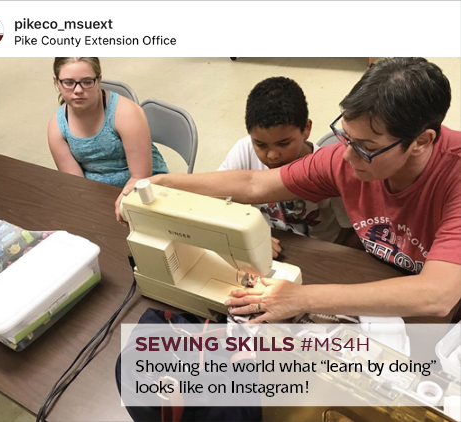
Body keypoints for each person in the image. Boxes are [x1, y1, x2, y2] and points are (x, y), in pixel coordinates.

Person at [116, 57, 461, 321]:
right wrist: (161, 182)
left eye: (365, 146)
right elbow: (253, 183)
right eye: (345, 136)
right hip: (380, 283)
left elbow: (436, 295)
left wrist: (302, 297)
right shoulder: (345, 161)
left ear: (421, 141)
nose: (345, 155)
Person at [218, 77, 352, 258]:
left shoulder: (329, 168)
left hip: (320, 256)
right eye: (260, 144)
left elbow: (353, 233)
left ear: (306, 129)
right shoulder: (244, 150)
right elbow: (217, 204)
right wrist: (251, 235)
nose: (272, 155)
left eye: (283, 143)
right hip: (268, 248)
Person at [48, 57, 169, 209]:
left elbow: (141, 177)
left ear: (98, 80)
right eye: (69, 83)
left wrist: (118, 207)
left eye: (86, 82)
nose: (78, 90)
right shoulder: (57, 126)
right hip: (98, 195)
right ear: (56, 82)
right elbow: (77, 185)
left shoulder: (126, 113)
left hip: (145, 190)